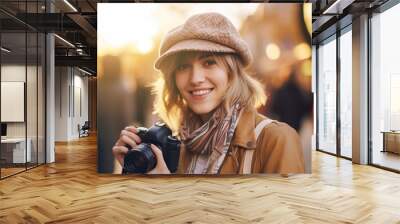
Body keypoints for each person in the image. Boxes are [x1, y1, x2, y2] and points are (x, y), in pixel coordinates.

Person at [112, 12, 305, 174]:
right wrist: (132, 172)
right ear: (173, 80)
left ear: (232, 72)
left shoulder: (277, 140)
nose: (195, 78)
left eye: (209, 62)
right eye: (183, 66)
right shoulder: (177, 143)